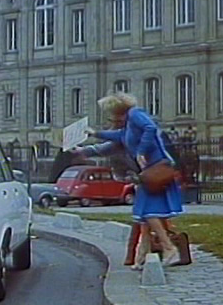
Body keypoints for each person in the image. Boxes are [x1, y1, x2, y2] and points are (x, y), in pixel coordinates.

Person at [73, 92, 183, 268]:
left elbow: (150, 128)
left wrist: (140, 152)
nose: (110, 119)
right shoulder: (127, 130)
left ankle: (169, 248)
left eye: (111, 115)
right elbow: (113, 140)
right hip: (148, 173)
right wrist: (92, 137)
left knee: (148, 212)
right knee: (143, 215)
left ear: (117, 111)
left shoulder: (135, 114)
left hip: (156, 170)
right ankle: (142, 256)